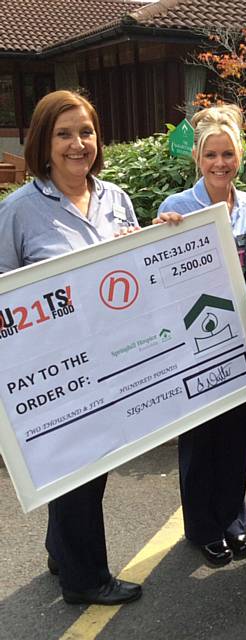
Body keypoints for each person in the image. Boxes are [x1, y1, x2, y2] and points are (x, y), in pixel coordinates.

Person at [0, 90, 141, 605]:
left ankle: (63, 551)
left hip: (112, 361)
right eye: (64, 134)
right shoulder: (19, 210)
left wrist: (167, 237)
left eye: (85, 132)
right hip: (54, 368)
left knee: (91, 468)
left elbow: (134, 266)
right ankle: (86, 580)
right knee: (77, 469)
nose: (78, 144)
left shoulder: (116, 198)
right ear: (43, 141)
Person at [156, 105, 246, 566]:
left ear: (240, 157)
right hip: (193, 340)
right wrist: (162, 236)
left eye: (228, 155)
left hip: (240, 337)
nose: (221, 163)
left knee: (235, 436)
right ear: (198, 158)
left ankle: (233, 520)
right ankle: (203, 527)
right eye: (211, 155)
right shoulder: (176, 208)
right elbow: (159, 276)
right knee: (201, 437)